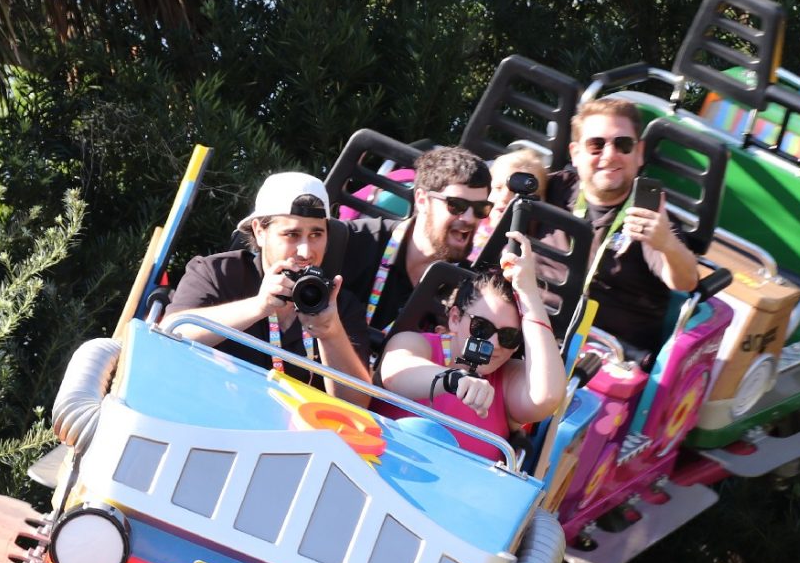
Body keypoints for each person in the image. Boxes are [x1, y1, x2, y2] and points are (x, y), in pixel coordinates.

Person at [164, 171, 370, 399]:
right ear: (259, 232)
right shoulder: (216, 273)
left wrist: (331, 334)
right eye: (292, 234)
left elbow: (359, 403)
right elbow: (171, 332)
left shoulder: (339, 303)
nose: (305, 251)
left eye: (316, 234)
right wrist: (258, 307)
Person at [377, 233, 566, 459]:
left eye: (508, 337)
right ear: (455, 319)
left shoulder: (507, 380)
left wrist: (529, 294)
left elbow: (546, 398)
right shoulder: (417, 344)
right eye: (481, 328)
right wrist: (455, 380)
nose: (494, 344)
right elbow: (396, 374)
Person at [545, 98, 701, 358]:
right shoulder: (550, 188)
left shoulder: (651, 216)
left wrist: (666, 243)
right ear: (575, 153)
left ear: (639, 153)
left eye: (623, 144)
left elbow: (685, 280)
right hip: (533, 329)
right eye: (596, 145)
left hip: (606, 356)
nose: (609, 155)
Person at [341, 146, 492, 354]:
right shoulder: (357, 242)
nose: (468, 218)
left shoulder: (472, 289)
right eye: (456, 205)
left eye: (480, 209)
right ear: (422, 200)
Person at [476, 145, 550, 254]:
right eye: (498, 188)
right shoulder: (473, 223)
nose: (504, 197)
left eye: (515, 192)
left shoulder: (528, 248)